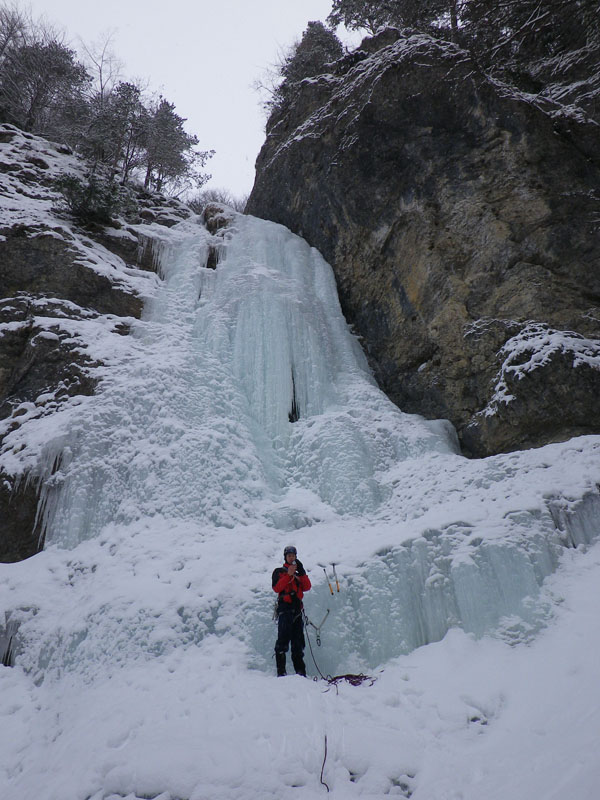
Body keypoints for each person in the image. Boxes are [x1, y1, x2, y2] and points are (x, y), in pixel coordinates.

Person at [272, 545, 311, 676]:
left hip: (297, 611)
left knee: (298, 644)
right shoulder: (278, 572)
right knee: (282, 641)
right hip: (285, 610)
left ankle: (301, 673)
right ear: (285, 557)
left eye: (293, 556)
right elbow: (277, 588)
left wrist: (302, 573)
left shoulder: (298, 575)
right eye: (289, 555)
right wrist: (288, 575)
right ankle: (281, 672)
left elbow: (307, 587)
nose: (291, 557)